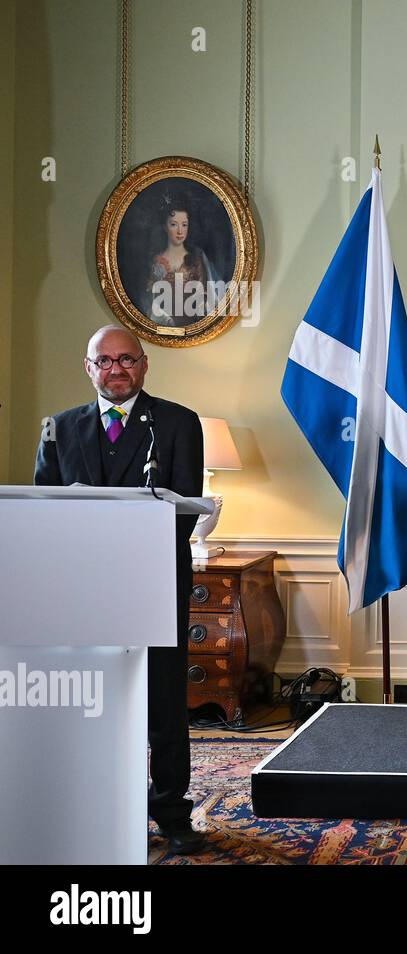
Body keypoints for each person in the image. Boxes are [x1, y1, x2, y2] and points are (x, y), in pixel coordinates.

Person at [34, 325, 207, 855]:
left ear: (144, 364)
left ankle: (172, 814)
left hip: (155, 585)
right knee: (95, 703)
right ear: (89, 368)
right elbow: (47, 511)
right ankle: (100, 806)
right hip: (85, 594)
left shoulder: (179, 423)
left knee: (164, 702)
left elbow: (183, 511)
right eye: (104, 361)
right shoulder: (60, 429)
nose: (116, 369)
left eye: (126, 359)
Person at [143, 196, 217, 326]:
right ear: (165, 227)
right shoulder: (156, 261)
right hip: (162, 328)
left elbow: (207, 299)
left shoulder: (197, 259)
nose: (180, 231)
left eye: (184, 225)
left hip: (194, 328)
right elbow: (150, 301)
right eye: (173, 224)